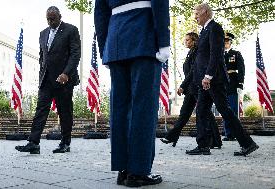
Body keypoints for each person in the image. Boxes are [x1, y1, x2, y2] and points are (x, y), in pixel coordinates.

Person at [94, 0, 170, 187]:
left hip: (116, 39)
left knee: (120, 108)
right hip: (143, 35)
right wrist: (164, 42)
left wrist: (105, 48)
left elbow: (100, 14)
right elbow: (160, 5)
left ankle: (123, 169)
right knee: (143, 108)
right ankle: (138, 171)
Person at [186, 3, 259, 156]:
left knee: (225, 110)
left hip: (213, 79)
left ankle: (248, 143)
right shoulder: (205, 30)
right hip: (204, 80)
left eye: (197, 13)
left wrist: (208, 76)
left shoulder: (215, 28)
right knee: (201, 111)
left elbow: (216, 54)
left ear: (205, 12)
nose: (195, 16)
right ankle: (203, 145)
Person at [15, 6, 81, 154]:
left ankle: (65, 143)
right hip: (46, 80)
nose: (50, 22)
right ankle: (33, 143)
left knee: (65, 111)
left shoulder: (71, 30)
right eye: (48, 19)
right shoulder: (43, 33)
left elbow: (75, 54)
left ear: (60, 16)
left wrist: (66, 73)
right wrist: (41, 75)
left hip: (63, 79)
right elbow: (42, 57)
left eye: (53, 19)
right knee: (40, 110)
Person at [160, 32, 222, 149]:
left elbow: (193, 72)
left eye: (188, 40)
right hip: (191, 88)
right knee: (184, 114)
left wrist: (183, 85)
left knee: (205, 113)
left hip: (197, 87)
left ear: (194, 40)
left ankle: (215, 141)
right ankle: (172, 136)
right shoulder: (191, 53)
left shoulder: (197, 53)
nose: (186, 42)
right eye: (185, 40)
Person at [222, 32, 245, 141]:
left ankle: (234, 133)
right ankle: (227, 133)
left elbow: (241, 69)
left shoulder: (236, 54)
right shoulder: (218, 54)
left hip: (232, 83)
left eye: (227, 41)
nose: (225, 43)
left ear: (231, 42)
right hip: (221, 84)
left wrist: (240, 83)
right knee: (224, 109)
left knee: (233, 109)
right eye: (224, 41)